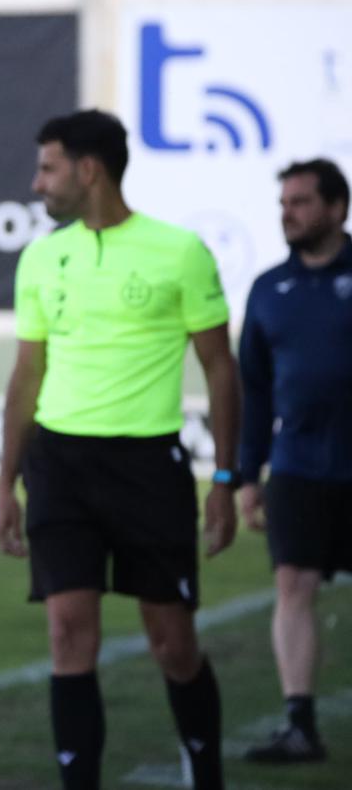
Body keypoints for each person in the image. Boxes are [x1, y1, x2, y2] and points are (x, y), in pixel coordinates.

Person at [0, 110, 239, 790]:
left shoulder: (180, 251)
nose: (37, 181)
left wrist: (224, 478)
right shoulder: (42, 256)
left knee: (173, 645)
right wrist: (5, 483)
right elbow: (27, 374)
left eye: (48, 167)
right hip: (59, 468)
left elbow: (221, 368)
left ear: (88, 169)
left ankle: (206, 773)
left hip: (147, 469)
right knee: (68, 637)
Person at [237, 158, 351, 764]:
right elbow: (253, 389)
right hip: (299, 466)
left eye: (302, 202)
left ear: (337, 208)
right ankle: (299, 724)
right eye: (285, 203)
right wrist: (246, 475)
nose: (289, 213)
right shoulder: (268, 289)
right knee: (293, 585)